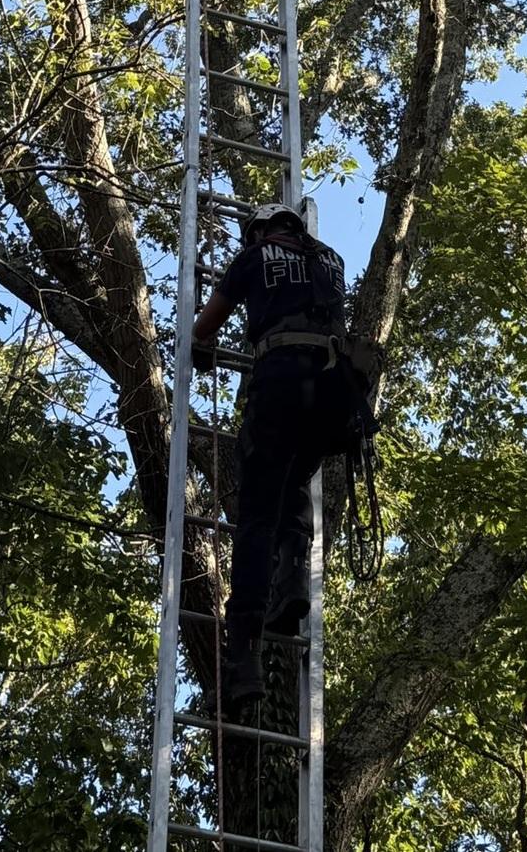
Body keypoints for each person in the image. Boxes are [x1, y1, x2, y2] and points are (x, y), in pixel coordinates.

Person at [191, 201, 353, 714]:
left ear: (260, 231)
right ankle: (292, 583)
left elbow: (209, 320)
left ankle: (245, 655)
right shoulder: (331, 260)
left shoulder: (255, 257)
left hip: (280, 380)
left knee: (257, 516)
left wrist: (199, 344)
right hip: (333, 396)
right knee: (297, 480)